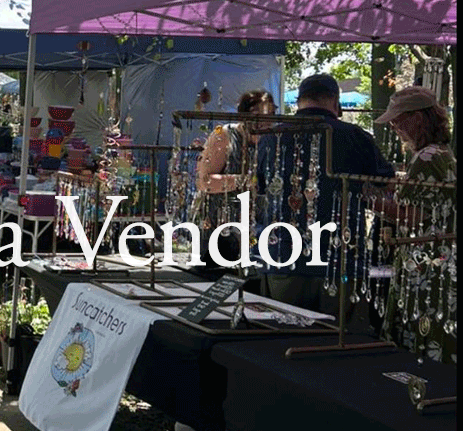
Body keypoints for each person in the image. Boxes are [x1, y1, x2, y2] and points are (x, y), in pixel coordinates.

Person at [257, 74, 395, 323]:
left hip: (284, 258)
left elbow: (261, 187)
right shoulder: (356, 137)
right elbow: (385, 185)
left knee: (278, 342)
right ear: (334, 101)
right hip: (341, 261)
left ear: (300, 101)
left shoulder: (271, 137)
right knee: (339, 346)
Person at [370, 86, 456, 363]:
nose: (394, 126)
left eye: (398, 119)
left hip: (425, 268)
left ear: (418, 118)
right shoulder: (441, 153)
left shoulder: (428, 157)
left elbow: (413, 217)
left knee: (421, 340)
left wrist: (368, 198)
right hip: (434, 263)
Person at [195, 90, 276, 268]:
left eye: (270, 114)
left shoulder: (273, 140)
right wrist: (243, 181)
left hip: (257, 227)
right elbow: (203, 181)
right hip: (222, 225)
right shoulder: (223, 134)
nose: (265, 121)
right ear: (244, 115)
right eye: (258, 115)